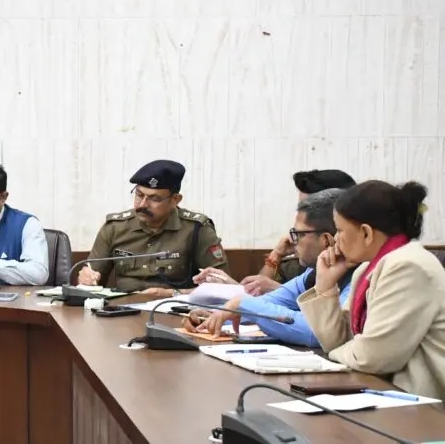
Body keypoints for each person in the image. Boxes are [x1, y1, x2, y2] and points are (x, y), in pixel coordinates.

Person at [298, 180, 445, 399]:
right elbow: (338, 341)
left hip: (425, 407)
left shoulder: (408, 265)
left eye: (340, 230)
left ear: (366, 233)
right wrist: (325, 285)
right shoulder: (367, 269)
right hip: (389, 394)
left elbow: (372, 358)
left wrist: (338, 353)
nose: (335, 239)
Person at [183, 189, 352, 346]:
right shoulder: (312, 273)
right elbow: (268, 302)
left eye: (298, 234)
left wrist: (241, 304)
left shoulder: (359, 277)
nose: (292, 241)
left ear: (326, 240)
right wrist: (213, 316)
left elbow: (317, 332)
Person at [78, 160, 226, 296]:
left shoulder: (197, 230)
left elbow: (222, 288)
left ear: (175, 200)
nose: (142, 204)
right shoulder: (115, 228)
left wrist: (172, 294)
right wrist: (86, 279)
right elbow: (91, 281)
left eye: (154, 198)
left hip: (176, 310)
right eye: (139, 195)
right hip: (123, 310)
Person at [242, 170, 357, 293]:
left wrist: (276, 288)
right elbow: (258, 290)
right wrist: (277, 254)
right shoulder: (306, 264)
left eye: (310, 207)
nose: (302, 213)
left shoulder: (360, 272)